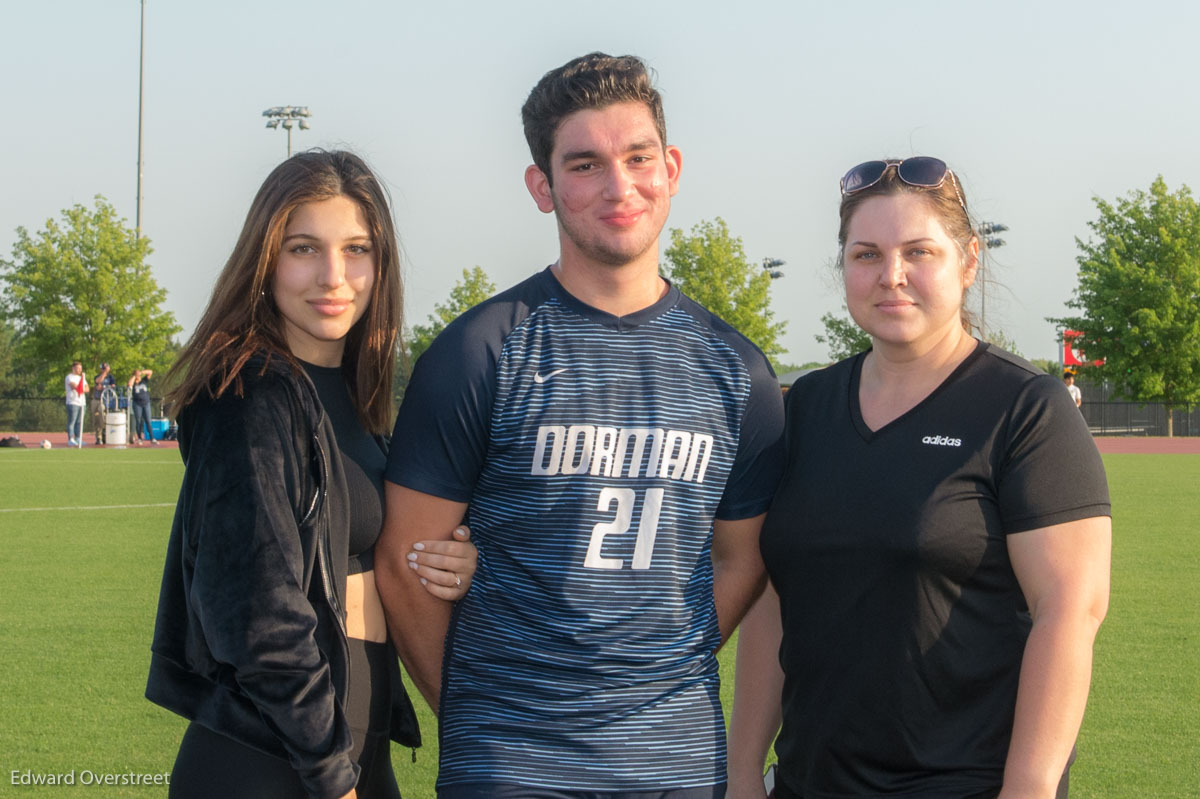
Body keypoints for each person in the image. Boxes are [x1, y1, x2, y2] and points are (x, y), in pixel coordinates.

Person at [375, 52, 785, 798]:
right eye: (586, 164)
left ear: (673, 167)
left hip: (676, 758)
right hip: (512, 760)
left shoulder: (738, 370)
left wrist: (646, 676)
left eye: (638, 158)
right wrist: (485, 710)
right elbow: (408, 564)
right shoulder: (480, 351)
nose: (620, 186)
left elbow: (741, 560)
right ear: (543, 186)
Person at [727, 157, 1112, 799]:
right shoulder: (804, 408)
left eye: (919, 252)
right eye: (867, 254)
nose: (891, 276)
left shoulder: (1026, 410)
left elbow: (1069, 612)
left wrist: (1030, 789)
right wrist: (741, 775)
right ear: (843, 265)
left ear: (967, 262)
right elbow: (773, 601)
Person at [146, 150, 478, 799]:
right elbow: (258, 618)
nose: (335, 275)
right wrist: (332, 776)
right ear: (265, 260)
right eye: (305, 248)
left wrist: (447, 562)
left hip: (358, 752)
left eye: (357, 248)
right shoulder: (245, 394)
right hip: (274, 765)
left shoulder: (350, 397)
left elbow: (356, 558)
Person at [91, 363, 116, 445]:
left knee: (102, 416)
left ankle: (104, 434)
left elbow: (112, 387)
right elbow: (98, 381)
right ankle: (98, 437)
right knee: (96, 419)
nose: (104, 370)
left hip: (105, 401)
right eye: (103, 369)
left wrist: (104, 387)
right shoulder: (97, 376)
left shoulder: (111, 378)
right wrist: (104, 373)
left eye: (105, 368)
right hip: (96, 399)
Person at [128, 367, 155, 445]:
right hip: (137, 404)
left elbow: (150, 371)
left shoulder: (143, 381)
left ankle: (152, 438)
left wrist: (141, 372)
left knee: (148, 421)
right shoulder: (133, 383)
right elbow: (129, 384)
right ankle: (139, 438)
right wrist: (134, 376)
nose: (138, 376)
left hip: (146, 403)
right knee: (138, 421)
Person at [64, 360, 88, 447]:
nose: (79, 370)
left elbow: (87, 388)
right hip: (73, 402)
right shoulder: (69, 377)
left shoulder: (81, 378)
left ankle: (78, 438)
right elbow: (74, 386)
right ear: (73, 368)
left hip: (82, 403)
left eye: (80, 368)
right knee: (72, 421)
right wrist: (81, 388)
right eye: (78, 368)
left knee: (79, 422)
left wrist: (82, 389)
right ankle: (71, 439)